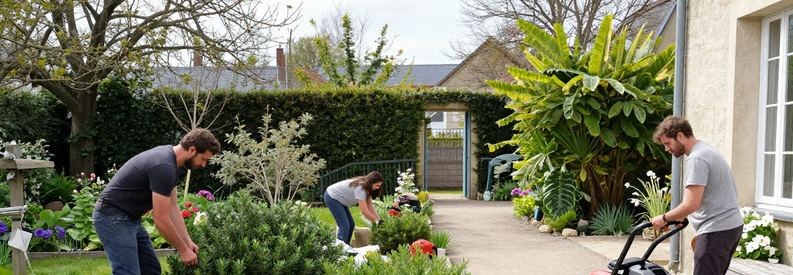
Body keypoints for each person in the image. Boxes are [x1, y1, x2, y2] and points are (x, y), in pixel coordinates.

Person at [93, 128, 221, 275]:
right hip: (111, 217)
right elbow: (160, 219)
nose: (203, 165)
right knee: (127, 272)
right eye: (204, 159)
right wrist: (183, 250)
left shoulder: (173, 163)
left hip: (130, 218)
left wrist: (187, 242)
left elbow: (172, 207)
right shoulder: (164, 166)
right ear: (192, 149)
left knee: (151, 269)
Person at [651, 116, 743, 275]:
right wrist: (679, 215)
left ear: (680, 136)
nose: (667, 149)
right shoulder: (706, 150)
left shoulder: (697, 159)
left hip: (716, 231)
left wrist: (664, 218)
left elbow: (691, 204)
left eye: (667, 143)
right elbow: (706, 196)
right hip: (729, 227)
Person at [324, 171, 384, 246]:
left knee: (351, 225)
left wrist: (379, 220)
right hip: (332, 197)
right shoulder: (360, 188)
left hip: (341, 199)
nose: (378, 188)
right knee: (345, 226)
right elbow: (365, 211)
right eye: (377, 185)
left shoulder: (367, 188)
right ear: (371, 182)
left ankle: (346, 246)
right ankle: (340, 250)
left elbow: (370, 206)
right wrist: (376, 221)